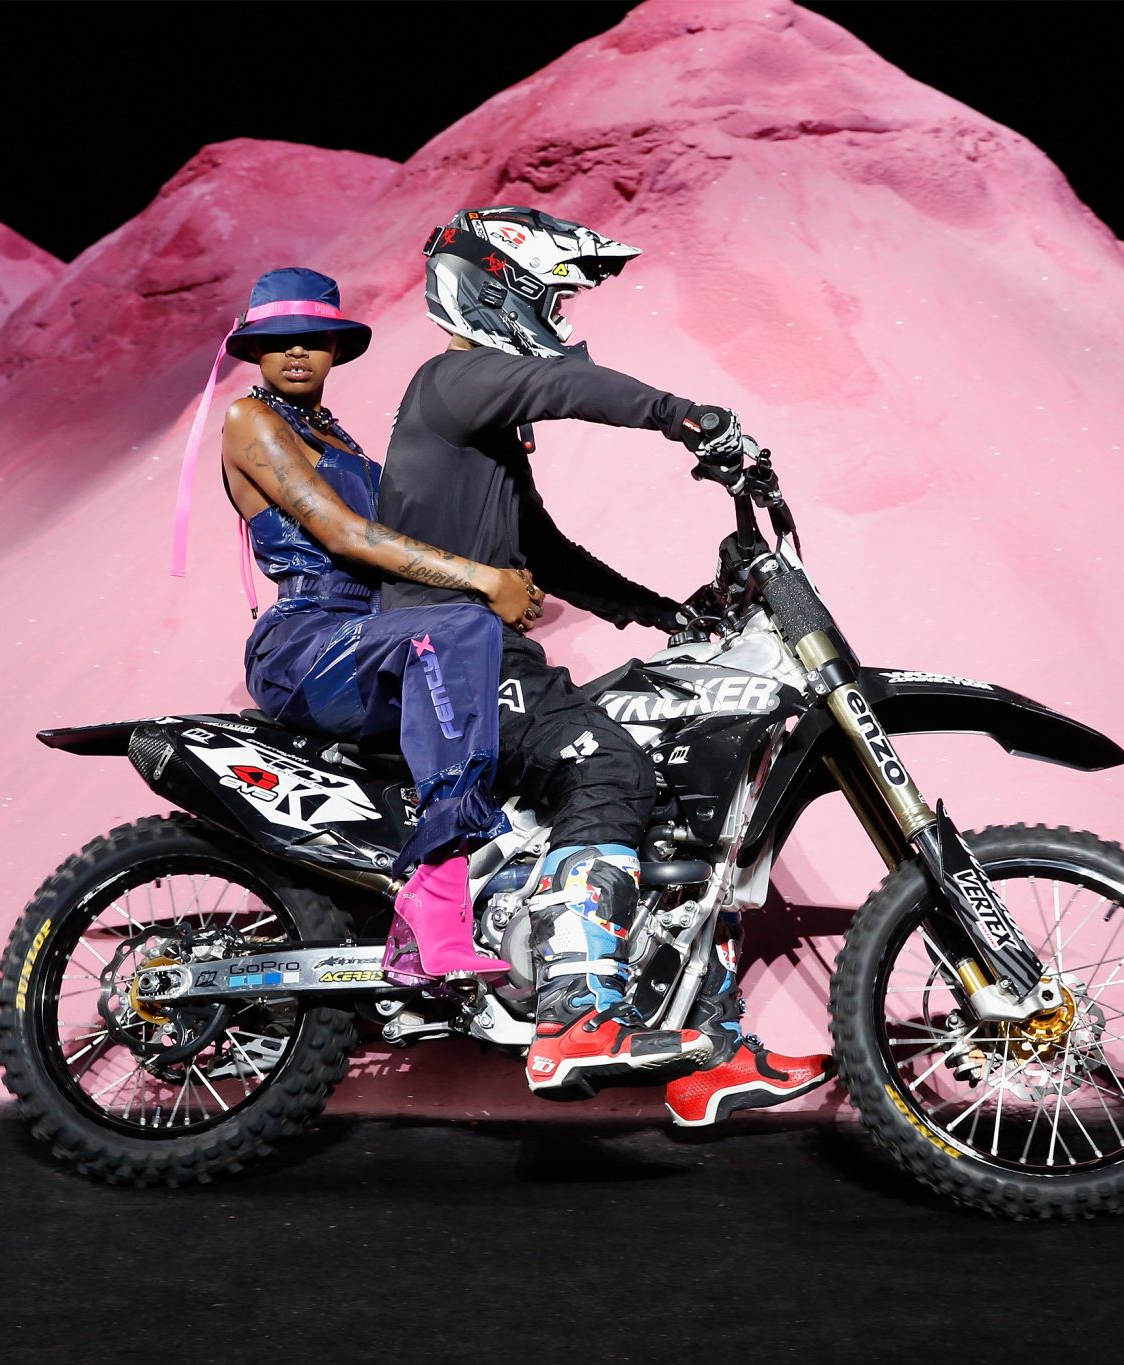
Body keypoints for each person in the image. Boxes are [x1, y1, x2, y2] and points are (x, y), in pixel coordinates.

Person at [374, 208, 832, 1124]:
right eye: (550, 296)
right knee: (609, 766)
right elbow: (568, 386)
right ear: (497, 288)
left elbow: (545, 551)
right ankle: (576, 1016)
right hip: (444, 651)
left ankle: (708, 1049)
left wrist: (666, 612)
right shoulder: (454, 381)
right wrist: (685, 417)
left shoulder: (484, 430)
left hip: (484, 650)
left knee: (679, 807)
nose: (562, 316)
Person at [214, 267, 536, 986]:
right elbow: (342, 533)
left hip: (378, 633)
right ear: (255, 350)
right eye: (280, 340)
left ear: (336, 348)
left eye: (313, 338)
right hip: (307, 642)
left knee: (501, 671)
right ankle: (435, 901)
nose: (298, 352)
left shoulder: (339, 438)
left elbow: (417, 524)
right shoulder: (249, 420)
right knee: (462, 629)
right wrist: (483, 580)